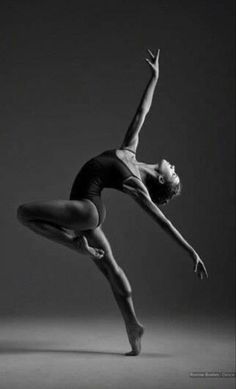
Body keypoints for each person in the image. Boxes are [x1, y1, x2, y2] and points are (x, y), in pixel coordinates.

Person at [17, 49, 208, 356]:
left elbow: (164, 222)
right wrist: (155, 77)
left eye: (173, 175)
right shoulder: (129, 152)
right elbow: (141, 112)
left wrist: (192, 252)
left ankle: (73, 244)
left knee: (23, 213)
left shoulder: (136, 185)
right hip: (88, 209)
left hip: (86, 210)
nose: (173, 169)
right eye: (175, 173)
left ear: (160, 180)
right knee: (111, 269)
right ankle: (133, 327)